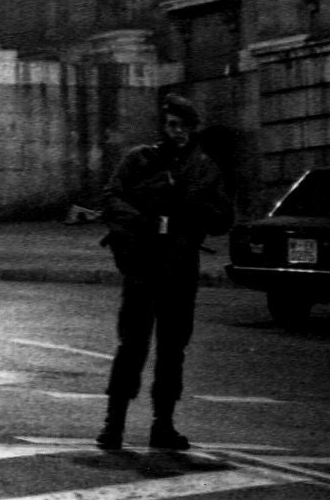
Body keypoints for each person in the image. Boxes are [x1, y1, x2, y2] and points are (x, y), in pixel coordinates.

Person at [95, 93, 234, 451]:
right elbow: (110, 197)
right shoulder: (140, 159)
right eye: (172, 125)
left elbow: (223, 219)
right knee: (132, 346)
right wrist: (140, 220)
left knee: (172, 350)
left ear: (193, 129)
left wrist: (197, 211)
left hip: (180, 268)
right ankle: (114, 424)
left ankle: (164, 425)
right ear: (164, 126)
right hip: (142, 265)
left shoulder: (204, 169)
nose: (177, 132)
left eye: (184, 126)